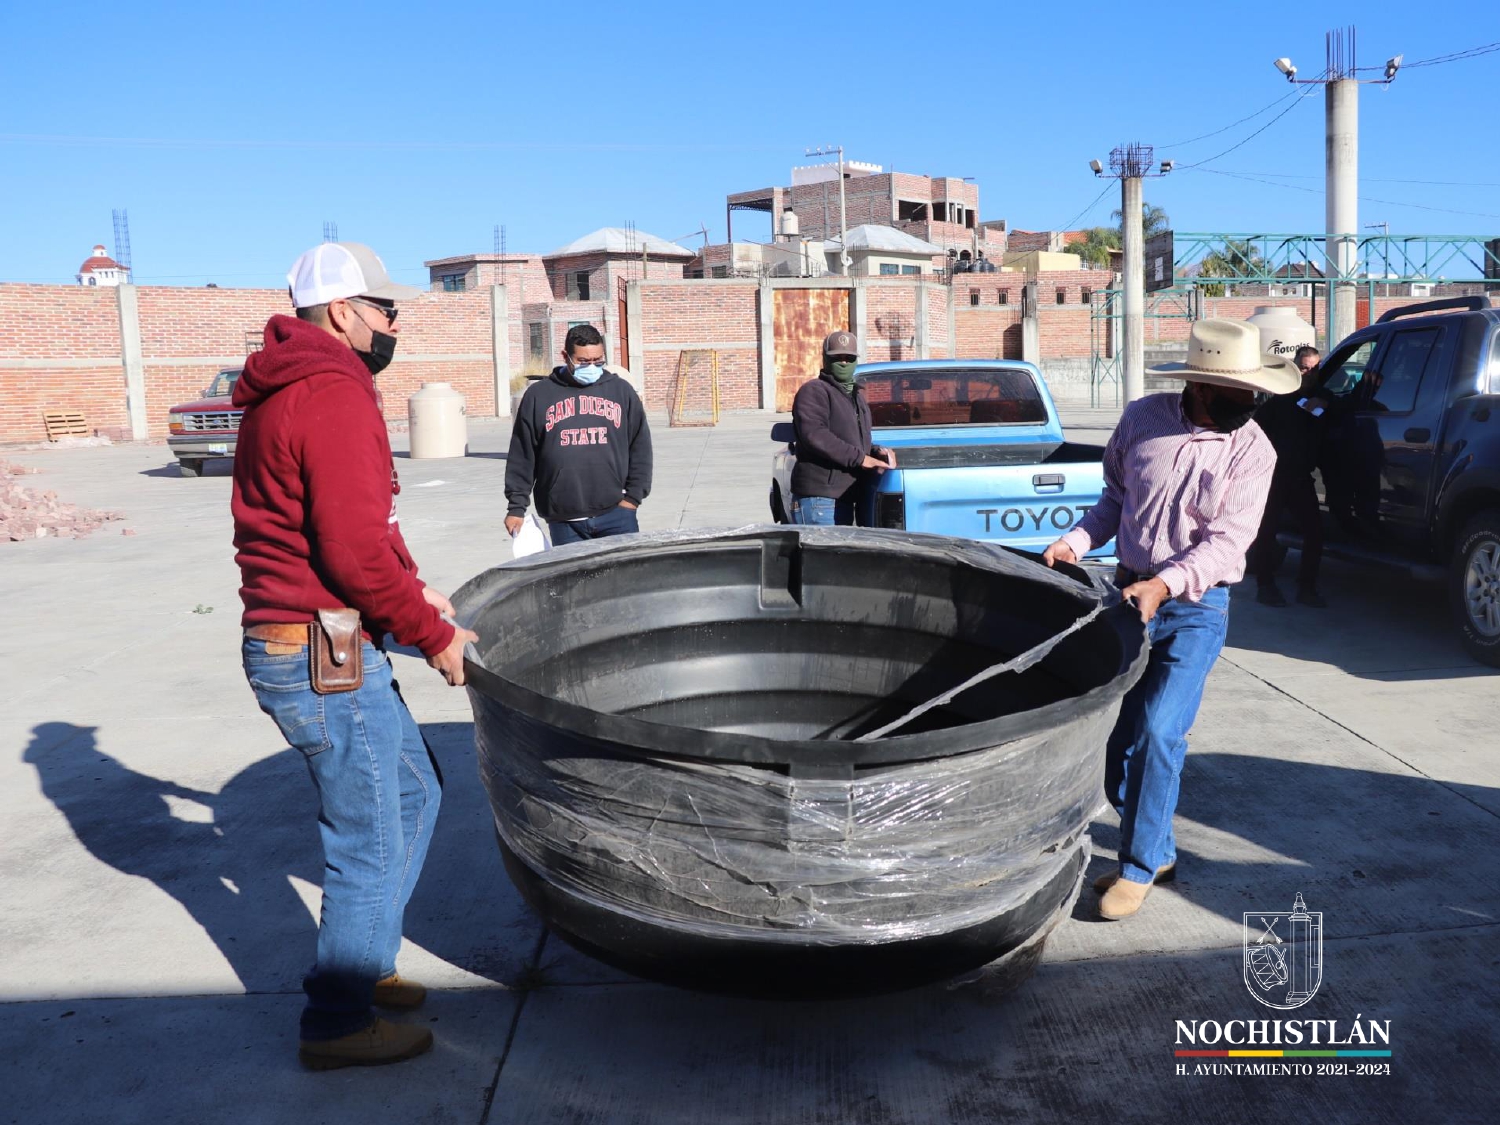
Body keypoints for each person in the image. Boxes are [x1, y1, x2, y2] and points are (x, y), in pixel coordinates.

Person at [231, 241, 478, 1070]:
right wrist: (435, 636)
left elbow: (361, 533)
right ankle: (339, 1018)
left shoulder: (299, 385)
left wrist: (418, 589)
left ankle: (364, 961)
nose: (394, 323)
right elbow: (349, 552)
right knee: (371, 830)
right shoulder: (330, 393)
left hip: (320, 632)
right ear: (342, 311)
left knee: (412, 789)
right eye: (385, 309)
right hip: (319, 645)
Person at [1042, 319, 1295, 921]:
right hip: (1128, 600)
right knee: (1120, 743)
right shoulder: (1142, 420)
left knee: (1161, 731)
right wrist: (1075, 542)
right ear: (1201, 388)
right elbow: (1115, 499)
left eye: (1254, 396)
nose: (1248, 407)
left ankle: (1136, 866)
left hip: (1197, 606)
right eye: (1237, 397)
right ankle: (1155, 846)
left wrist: (1166, 583)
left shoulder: (1254, 450)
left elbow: (1229, 542)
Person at [504, 323, 652, 546]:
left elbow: (640, 447)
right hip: (564, 519)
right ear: (566, 356)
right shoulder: (539, 395)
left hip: (616, 514)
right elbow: (523, 455)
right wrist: (516, 507)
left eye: (598, 360)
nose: (592, 366)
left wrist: (632, 498)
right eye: (583, 361)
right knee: (577, 581)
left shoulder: (620, 391)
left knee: (623, 580)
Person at [788, 330, 894, 525]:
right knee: (822, 556)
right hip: (820, 499)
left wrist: (875, 452)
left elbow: (852, 440)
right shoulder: (814, 391)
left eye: (849, 357)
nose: (844, 362)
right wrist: (861, 459)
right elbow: (815, 435)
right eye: (837, 357)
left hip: (848, 497)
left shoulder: (857, 397)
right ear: (825, 359)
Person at [1249, 345, 1328, 607]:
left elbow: (1343, 410)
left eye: (1315, 369)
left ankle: (1307, 587)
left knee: (1314, 533)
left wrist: (1326, 405)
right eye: (1304, 368)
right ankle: (1265, 584)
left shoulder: (1322, 398)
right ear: (1295, 368)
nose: (1309, 374)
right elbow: (1253, 432)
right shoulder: (1278, 400)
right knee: (1267, 531)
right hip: (1273, 477)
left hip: (1301, 478)